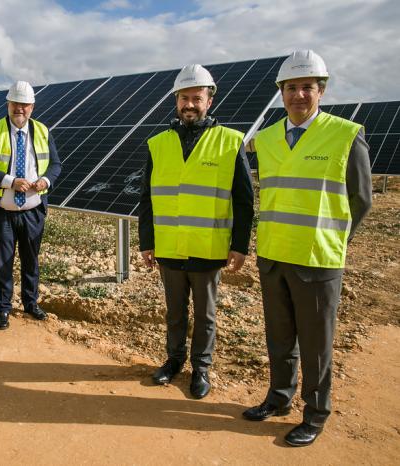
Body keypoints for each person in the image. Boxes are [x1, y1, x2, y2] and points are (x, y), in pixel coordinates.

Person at [242, 50, 372, 446]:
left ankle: (315, 414)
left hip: (317, 260)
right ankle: (279, 398)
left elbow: (361, 199)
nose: (299, 95)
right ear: (281, 92)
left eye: (307, 87)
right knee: (279, 337)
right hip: (274, 255)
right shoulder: (264, 139)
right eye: (291, 87)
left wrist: (333, 239)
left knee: (316, 344)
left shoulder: (346, 134)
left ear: (321, 90)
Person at [138, 65, 254, 399]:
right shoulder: (158, 143)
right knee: (174, 311)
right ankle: (173, 361)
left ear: (209, 101)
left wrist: (240, 245)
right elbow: (146, 198)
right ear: (176, 100)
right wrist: (148, 241)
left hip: (208, 247)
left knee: (205, 314)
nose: (190, 104)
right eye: (184, 98)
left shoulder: (231, 142)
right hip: (170, 246)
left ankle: (200, 369)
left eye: (197, 98)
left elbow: (245, 201)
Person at [0, 81, 62, 330]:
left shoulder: (43, 131)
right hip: (3, 211)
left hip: (33, 209)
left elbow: (56, 165)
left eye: (24, 105)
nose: (20, 109)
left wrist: (44, 181)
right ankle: (3, 307)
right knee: (3, 261)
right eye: (16, 104)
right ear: (8, 104)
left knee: (30, 259)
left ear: (32, 107)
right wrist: (11, 181)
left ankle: (30, 302)